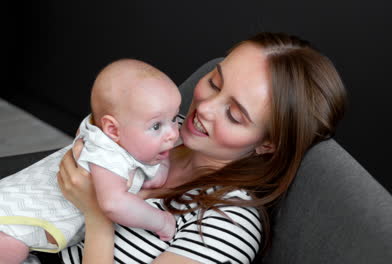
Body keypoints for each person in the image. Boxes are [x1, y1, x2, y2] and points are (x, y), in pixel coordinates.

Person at [57, 32, 347, 264]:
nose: (205, 107)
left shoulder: (228, 224)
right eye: (214, 82)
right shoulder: (162, 130)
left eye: (234, 115)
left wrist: (98, 215)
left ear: (268, 143)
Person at [0, 59, 181, 264]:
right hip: (11, 221)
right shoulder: (105, 155)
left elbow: (150, 175)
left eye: (174, 118)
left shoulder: (108, 131)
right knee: (11, 249)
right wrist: (161, 222)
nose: (173, 134)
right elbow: (114, 204)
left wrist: (159, 166)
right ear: (112, 129)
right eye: (157, 126)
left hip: (17, 210)